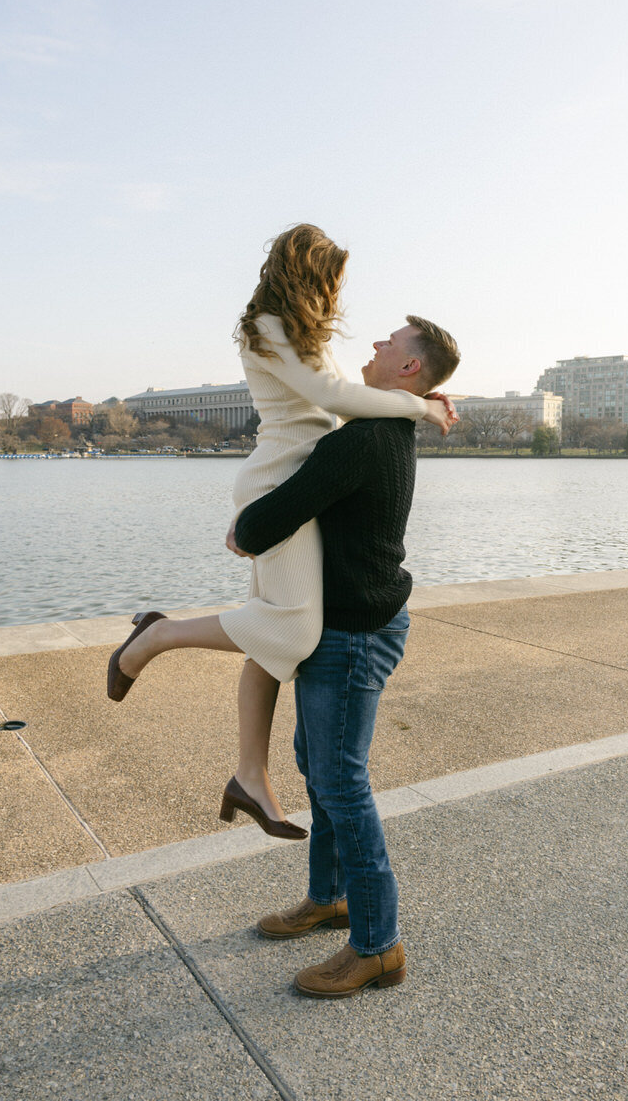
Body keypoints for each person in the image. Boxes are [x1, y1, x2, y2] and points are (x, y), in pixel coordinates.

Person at [107, 225, 456, 839]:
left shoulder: (303, 333)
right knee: (292, 628)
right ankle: (155, 637)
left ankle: (250, 775)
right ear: (309, 272)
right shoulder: (269, 326)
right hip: (279, 481)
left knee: (274, 631)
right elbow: (329, 395)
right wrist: (418, 405)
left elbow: (344, 402)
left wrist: (416, 400)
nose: (339, 291)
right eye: (334, 278)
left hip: (306, 478)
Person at [227, 315, 461, 998]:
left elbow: (272, 518)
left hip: (356, 634)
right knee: (318, 765)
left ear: (410, 369)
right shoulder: (382, 429)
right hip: (357, 625)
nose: (377, 345)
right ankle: (329, 897)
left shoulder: (360, 442)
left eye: (391, 342)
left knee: (340, 780)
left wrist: (244, 528)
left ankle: (377, 945)